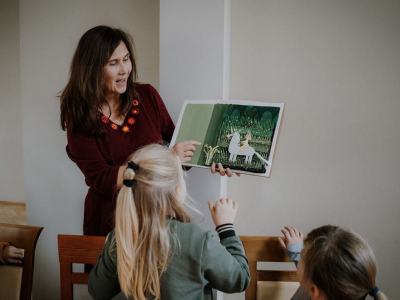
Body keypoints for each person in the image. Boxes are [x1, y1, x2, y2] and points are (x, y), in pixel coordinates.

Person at [60, 25, 204, 237]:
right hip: (111, 223)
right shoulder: (80, 117)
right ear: (91, 69)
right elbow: (102, 178)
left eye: (126, 59)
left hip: (156, 216)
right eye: (113, 63)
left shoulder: (147, 96)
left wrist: (215, 158)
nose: (124, 70)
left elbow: (178, 146)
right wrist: (168, 158)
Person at [88, 144, 249, 300]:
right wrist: (226, 227)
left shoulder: (119, 237)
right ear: (177, 189)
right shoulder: (199, 240)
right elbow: (239, 279)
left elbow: (98, 292)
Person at [279, 225, 387, 300]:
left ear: (313, 291)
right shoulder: (326, 291)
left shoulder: (310, 292)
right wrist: (297, 255)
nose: (299, 253)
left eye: (301, 254)